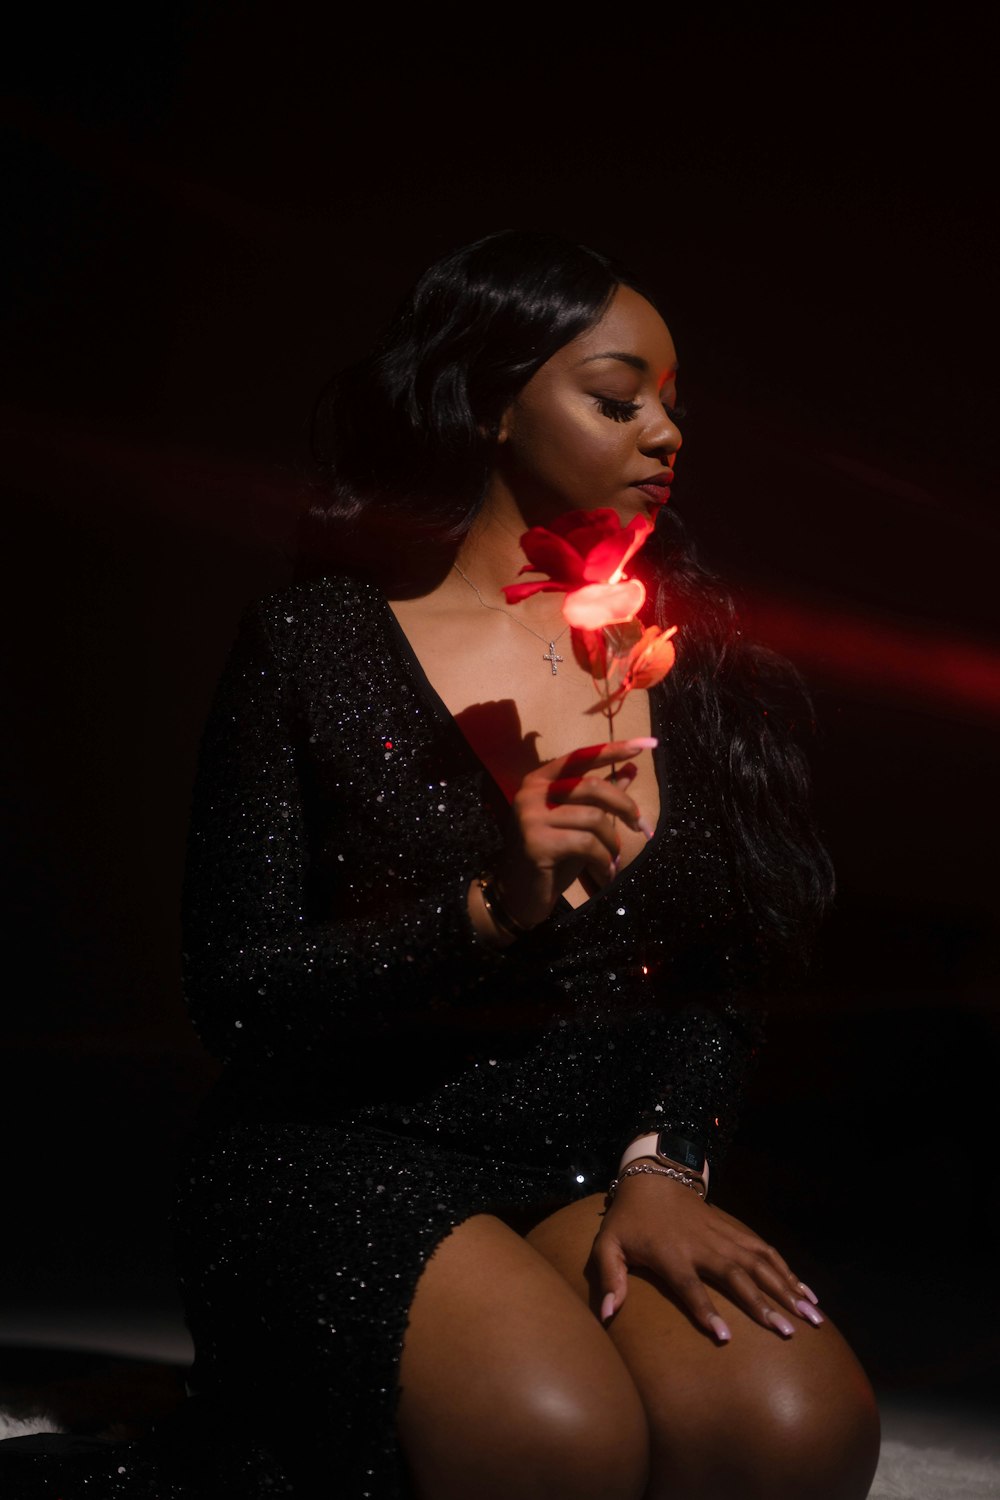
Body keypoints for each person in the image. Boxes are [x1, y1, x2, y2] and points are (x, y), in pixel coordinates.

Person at [3, 231, 881, 1499]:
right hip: (342, 1149)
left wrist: (663, 1168)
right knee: (555, 1443)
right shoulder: (316, 644)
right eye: (618, 398)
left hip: (584, 1163)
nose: (664, 436)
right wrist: (486, 908)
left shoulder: (703, 668)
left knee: (796, 1432)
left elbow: (719, 974)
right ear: (485, 402)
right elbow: (237, 994)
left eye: (672, 409)